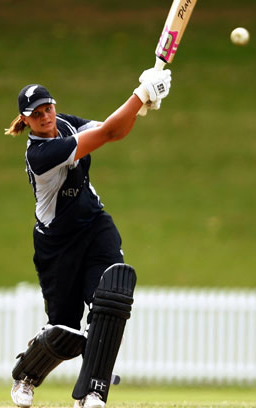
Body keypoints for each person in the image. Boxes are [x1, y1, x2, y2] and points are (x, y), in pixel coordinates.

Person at [5, 66, 172, 408]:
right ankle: (27, 375)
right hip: (57, 245)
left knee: (112, 299)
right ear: (26, 121)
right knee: (64, 333)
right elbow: (110, 132)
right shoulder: (41, 156)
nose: (45, 117)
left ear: (54, 106)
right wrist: (140, 93)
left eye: (47, 108)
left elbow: (113, 129)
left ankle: (93, 391)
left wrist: (142, 104)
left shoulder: (64, 122)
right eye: (36, 115)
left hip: (94, 227)